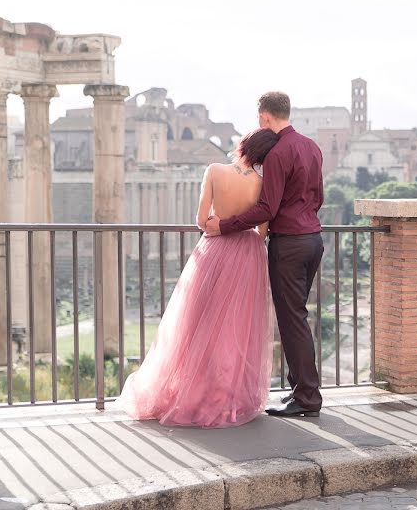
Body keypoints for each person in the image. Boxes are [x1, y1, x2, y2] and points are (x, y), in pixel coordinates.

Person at [115, 128, 280, 428]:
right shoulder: (261, 183)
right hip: (247, 257)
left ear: (242, 145)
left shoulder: (215, 171)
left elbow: (202, 221)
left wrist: (218, 225)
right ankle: (227, 395)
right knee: (236, 328)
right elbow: (261, 232)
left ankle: (191, 390)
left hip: (215, 251)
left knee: (196, 322)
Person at [204, 91, 324, 418]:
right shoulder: (311, 147)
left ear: (265, 117)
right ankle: (301, 392)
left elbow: (267, 207)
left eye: (260, 118)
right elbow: (319, 196)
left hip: (289, 243)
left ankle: (308, 399)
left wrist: (224, 226)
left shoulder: (276, 154)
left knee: (292, 319)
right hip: (313, 239)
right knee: (296, 316)